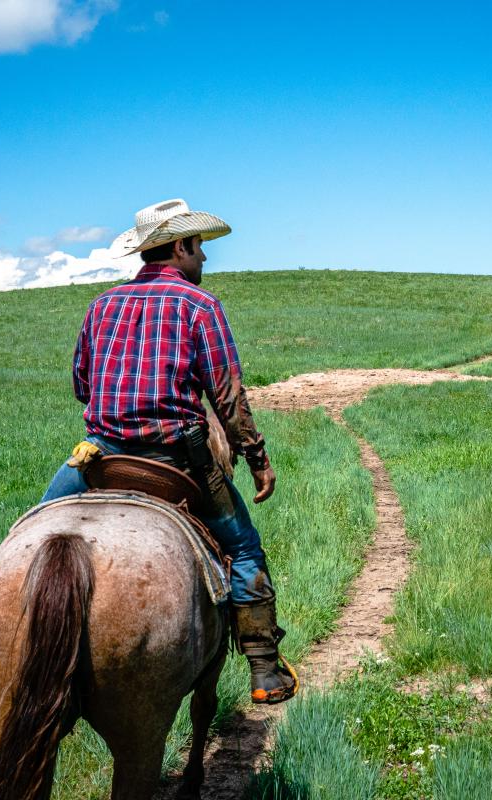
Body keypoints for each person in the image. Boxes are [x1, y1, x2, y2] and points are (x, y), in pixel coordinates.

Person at [39, 198, 297, 704]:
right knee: (243, 547)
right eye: (199, 247)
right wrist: (258, 461)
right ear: (179, 246)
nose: (203, 258)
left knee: (30, 532)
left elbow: (82, 385)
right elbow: (227, 396)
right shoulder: (201, 307)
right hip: (178, 460)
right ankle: (265, 669)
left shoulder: (101, 306)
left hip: (99, 455)